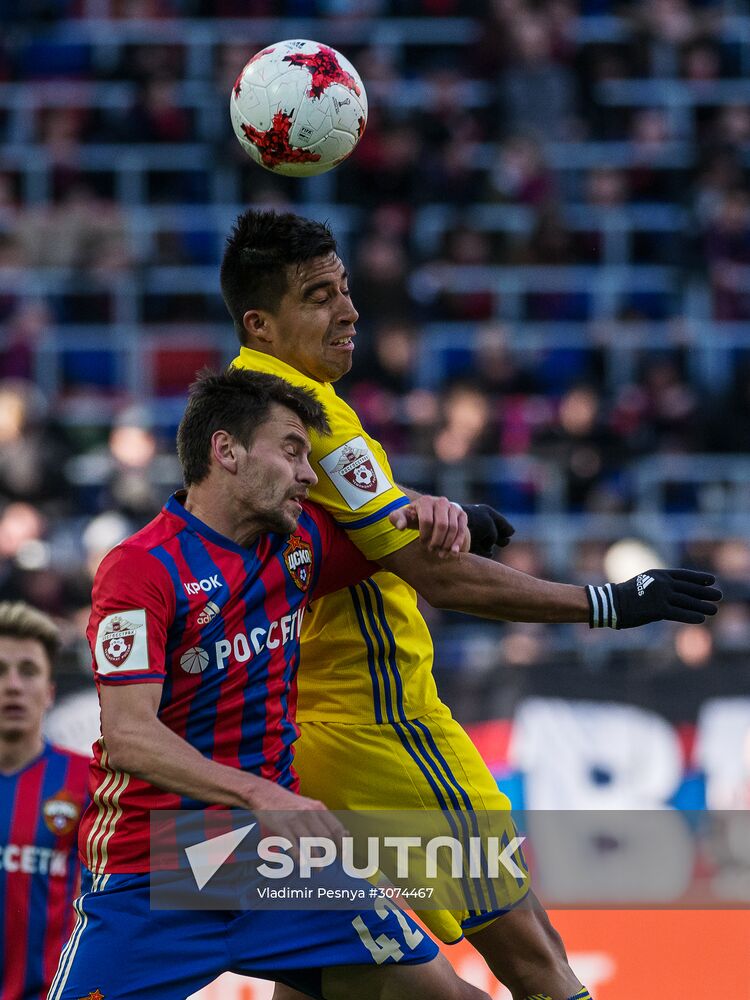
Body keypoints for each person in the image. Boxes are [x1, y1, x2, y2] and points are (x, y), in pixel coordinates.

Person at [223, 209, 722, 1000]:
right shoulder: (310, 412)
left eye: (345, 289)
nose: (349, 311)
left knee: (323, 977)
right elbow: (438, 577)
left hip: (303, 739)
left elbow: (326, 531)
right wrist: (609, 603)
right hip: (387, 734)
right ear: (261, 320)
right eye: (319, 296)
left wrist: (417, 505)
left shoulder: (241, 407)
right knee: (537, 960)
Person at [48, 368, 488, 1000]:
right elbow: (128, 735)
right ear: (226, 451)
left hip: (271, 861)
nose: (309, 474)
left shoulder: (298, 543)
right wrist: (264, 797)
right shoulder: (139, 570)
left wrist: (444, 511)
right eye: (291, 450)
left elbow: (398, 532)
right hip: (156, 866)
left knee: (447, 994)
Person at [0, 601, 89, 1000]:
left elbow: (173, 866)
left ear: (50, 691)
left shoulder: (90, 782)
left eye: (29, 671)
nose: (13, 685)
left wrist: (304, 866)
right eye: (0, 671)